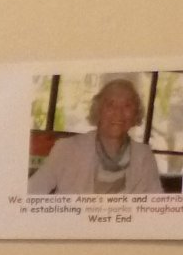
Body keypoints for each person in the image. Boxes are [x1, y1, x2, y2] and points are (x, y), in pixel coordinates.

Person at [27, 77, 163, 196]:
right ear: (98, 110)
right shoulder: (67, 149)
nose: (118, 112)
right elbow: (31, 191)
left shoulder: (144, 156)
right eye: (110, 104)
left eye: (127, 105)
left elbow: (157, 206)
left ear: (135, 113)